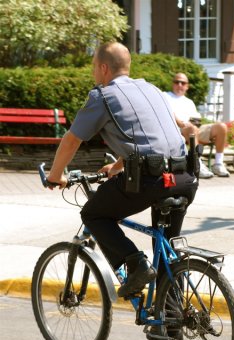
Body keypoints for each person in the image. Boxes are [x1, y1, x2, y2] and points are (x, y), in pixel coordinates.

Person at [47, 42, 198, 300]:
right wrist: (117, 166)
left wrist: (55, 176)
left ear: (104, 68)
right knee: (167, 250)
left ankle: (135, 262)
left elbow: (72, 140)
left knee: (94, 214)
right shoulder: (151, 89)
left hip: (152, 180)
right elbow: (148, 135)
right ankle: (172, 330)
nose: (94, 72)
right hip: (184, 176)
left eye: (94, 66)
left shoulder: (103, 96)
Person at [165, 73, 230, 178]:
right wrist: (181, 123)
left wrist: (196, 123)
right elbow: (166, 112)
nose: (180, 85)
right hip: (176, 131)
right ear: (173, 84)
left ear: (187, 86)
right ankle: (197, 165)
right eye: (177, 82)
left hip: (193, 130)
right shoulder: (165, 96)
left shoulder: (189, 102)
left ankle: (218, 163)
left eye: (183, 83)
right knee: (191, 128)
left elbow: (196, 118)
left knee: (221, 127)